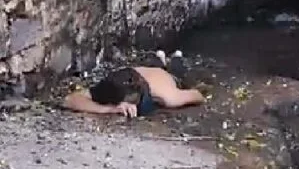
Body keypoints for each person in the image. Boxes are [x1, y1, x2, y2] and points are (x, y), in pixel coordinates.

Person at [63, 50, 205, 118]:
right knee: (154, 63)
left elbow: (197, 95)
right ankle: (158, 58)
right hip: (143, 70)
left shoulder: (167, 95)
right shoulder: (112, 85)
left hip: (167, 78)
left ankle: (175, 58)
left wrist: (195, 93)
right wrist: (108, 109)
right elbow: (70, 100)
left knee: (177, 69)